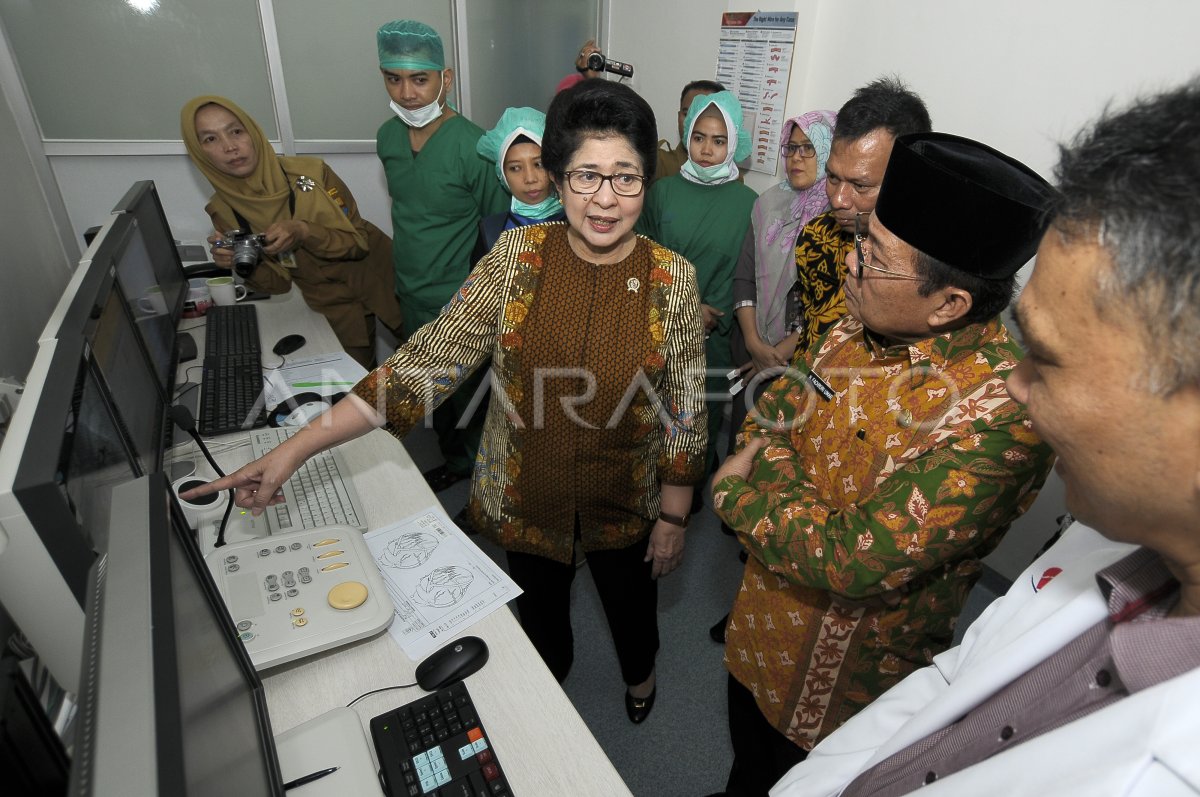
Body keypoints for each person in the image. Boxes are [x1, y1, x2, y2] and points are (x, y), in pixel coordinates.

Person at [182, 78, 708, 726]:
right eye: (585, 176)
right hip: (527, 490)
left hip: (626, 494)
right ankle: (548, 691)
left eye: (625, 177)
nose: (605, 199)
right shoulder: (515, 257)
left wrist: (675, 517)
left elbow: (683, 408)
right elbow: (423, 364)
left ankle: (641, 678)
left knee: (632, 611)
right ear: (557, 176)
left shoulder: (671, 278)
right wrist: (295, 448)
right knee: (542, 618)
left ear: (646, 181)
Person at [771, 80, 1200, 797]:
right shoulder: (1104, 533)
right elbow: (954, 686)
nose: (1016, 385)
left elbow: (856, 555)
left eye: (1048, 358)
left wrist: (747, 484)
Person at [708, 131, 1059, 796]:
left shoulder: (1002, 412)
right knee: (745, 764)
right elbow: (770, 411)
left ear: (948, 304)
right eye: (860, 243)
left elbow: (852, 558)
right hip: (761, 618)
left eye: (873, 257)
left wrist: (737, 494)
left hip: (843, 684)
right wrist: (796, 478)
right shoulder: (847, 319)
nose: (850, 265)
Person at [375, 19, 509, 492]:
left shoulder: (474, 147)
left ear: (445, 79)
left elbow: (499, 233)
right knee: (434, 397)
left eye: (420, 79)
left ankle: (486, 486)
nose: (407, 92)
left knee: (474, 398)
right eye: (394, 78)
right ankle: (456, 464)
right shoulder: (387, 138)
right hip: (410, 289)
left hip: (460, 301)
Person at [180, 95, 403, 369]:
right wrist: (243, 265)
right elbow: (278, 284)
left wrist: (304, 231)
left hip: (383, 279)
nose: (230, 147)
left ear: (253, 132)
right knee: (355, 387)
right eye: (210, 139)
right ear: (199, 151)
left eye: (236, 131)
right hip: (332, 305)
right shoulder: (223, 211)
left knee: (431, 365)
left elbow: (357, 244)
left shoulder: (311, 175)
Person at [638, 90, 757, 476]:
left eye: (719, 140)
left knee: (698, 417)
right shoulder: (662, 192)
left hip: (714, 335)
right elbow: (642, 255)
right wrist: (686, 307)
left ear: (734, 144)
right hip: (660, 321)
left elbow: (746, 272)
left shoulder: (749, 204)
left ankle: (690, 489)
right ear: (687, 135)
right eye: (700, 137)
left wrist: (708, 313)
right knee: (653, 407)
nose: (707, 149)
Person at [471, 106, 565, 265]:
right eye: (515, 168)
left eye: (539, 164)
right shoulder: (491, 232)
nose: (529, 178)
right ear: (502, 175)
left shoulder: (579, 225)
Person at [655, 79, 727, 183]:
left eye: (703, 115)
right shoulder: (659, 163)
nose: (692, 122)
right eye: (687, 114)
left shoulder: (730, 175)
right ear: (679, 117)